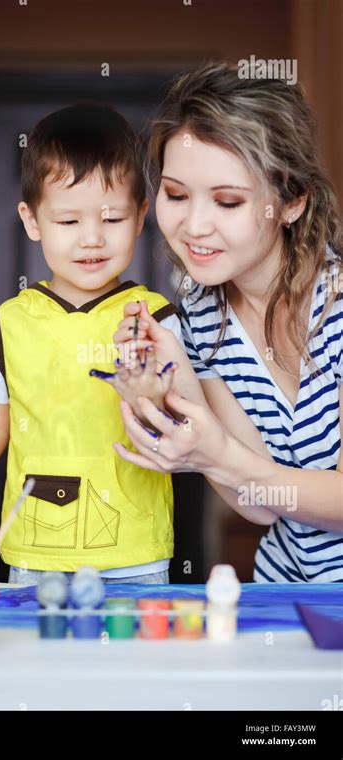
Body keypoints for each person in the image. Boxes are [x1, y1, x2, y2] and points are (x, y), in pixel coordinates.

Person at [0, 104, 182, 585]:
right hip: (34, 552)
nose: (91, 239)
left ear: (140, 218)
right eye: (68, 222)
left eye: (112, 218)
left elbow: (181, 422)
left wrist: (148, 385)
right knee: (33, 659)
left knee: (126, 662)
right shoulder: (10, 323)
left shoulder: (154, 320)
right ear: (31, 221)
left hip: (134, 552)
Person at [111, 61, 343, 582]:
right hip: (287, 591)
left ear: (291, 202)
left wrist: (212, 450)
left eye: (228, 201)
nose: (193, 226)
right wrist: (175, 386)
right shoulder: (197, 311)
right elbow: (261, 506)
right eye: (175, 195)